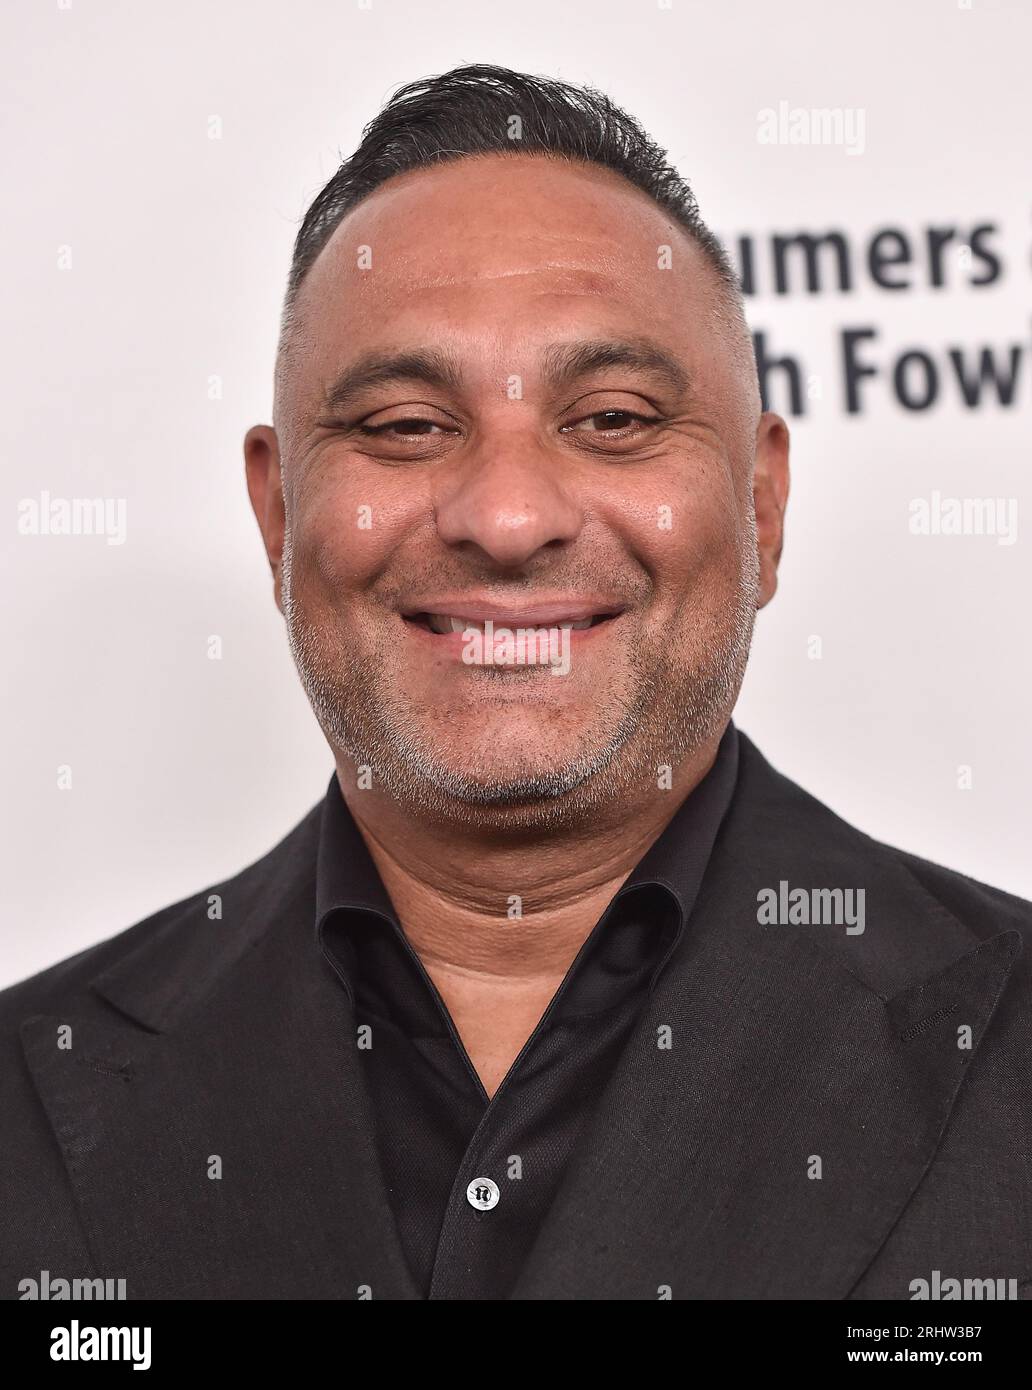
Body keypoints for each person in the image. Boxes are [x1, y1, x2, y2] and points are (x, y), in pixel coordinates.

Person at [3, 65, 1029, 1302]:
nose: (504, 516)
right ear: (278, 513)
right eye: (403, 425)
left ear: (762, 501)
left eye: (611, 419)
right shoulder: (29, 1085)